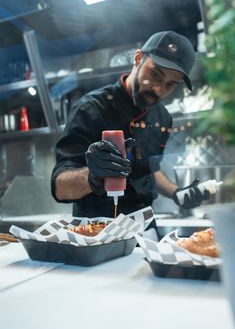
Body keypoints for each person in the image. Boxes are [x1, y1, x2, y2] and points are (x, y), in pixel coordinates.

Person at [51, 31, 210, 218]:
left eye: (170, 84)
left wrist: (177, 192)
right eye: (156, 74)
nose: (158, 90)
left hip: (145, 227)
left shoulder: (163, 117)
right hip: (98, 231)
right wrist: (92, 177)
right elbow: (59, 186)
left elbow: (151, 169)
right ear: (138, 58)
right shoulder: (91, 109)